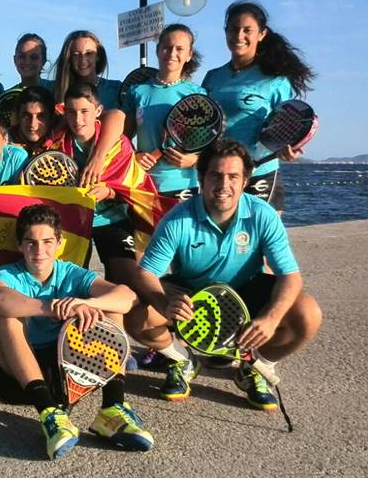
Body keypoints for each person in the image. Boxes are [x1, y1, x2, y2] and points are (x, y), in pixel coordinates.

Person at [127, 140, 322, 408]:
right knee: (136, 312)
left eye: (233, 177)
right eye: (216, 175)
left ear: (245, 181)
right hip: (192, 294)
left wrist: (270, 318)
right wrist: (164, 303)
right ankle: (182, 359)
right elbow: (145, 273)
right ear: (201, 179)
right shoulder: (176, 219)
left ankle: (256, 367)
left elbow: (290, 276)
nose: (224, 184)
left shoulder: (263, 215)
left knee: (308, 313)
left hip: (247, 290)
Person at [0, 204, 153, 460]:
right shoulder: (8, 274)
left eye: (47, 242)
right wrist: (50, 307)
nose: (39, 251)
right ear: (20, 245)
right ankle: (49, 413)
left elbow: (128, 297)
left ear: (59, 243)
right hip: (19, 378)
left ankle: (112, 408)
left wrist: (87, 303)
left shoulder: (69, 272)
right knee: (6, 318)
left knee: (111, 309)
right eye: (31, 243)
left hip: (67, 370)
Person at [201, 0, 315, 211]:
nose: (239, 36)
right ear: (225, 32)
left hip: (260, 173)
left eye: (247, 30)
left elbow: (287, 126)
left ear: (261, 34)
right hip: (220, 174)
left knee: (260, 233)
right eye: (233, 29)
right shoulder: (212, 77)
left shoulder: (276, 80)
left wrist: (290, 149)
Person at [50, 83, 138, 287]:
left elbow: (135, 188)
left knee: (129, 280)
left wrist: (109, 192)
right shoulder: (56, 144)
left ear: (98, 111)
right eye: (71, 112)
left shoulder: (119, 144)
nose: (78, 119)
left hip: (111, 220)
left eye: (84, 111)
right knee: (68, 283)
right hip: (73, 222)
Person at [122, 24, 207, 202]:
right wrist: (134, 156)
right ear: (158, 50)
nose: (172, 53)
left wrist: (194, 160)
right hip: (143, 185)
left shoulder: (197, 94)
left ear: (189, 54)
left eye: (179, 49)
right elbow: (123, 139)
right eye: (167, 47)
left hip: (183, 186)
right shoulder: (137, 91)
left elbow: (207, 146)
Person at [52, 30, 121, 110]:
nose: (83, 60)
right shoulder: (54, 89)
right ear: (69, 58)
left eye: (89, 53)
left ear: (98, 56)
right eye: (76, 54)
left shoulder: (117, 89)